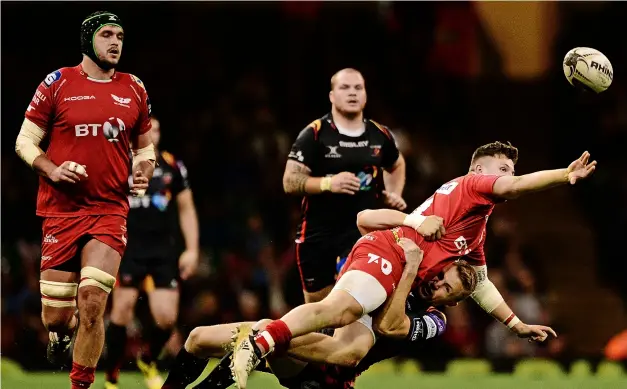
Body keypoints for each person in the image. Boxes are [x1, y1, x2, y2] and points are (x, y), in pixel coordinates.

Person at [231, 141, 594, 388]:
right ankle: (261, 342)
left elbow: (480, 282)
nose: (506, 176)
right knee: (339, 311)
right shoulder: (472, 185)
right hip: (390, 251)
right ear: (478, 169)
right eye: (501, 169)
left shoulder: (476, 227)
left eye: (510, 170)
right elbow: (515, 188)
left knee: (350, 348)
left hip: (394, 263)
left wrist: (516, 325)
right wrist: (564, 175)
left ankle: (262, 340)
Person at [14, 11, 155, 389]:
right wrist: (52, 169)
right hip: (61, 211)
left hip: (109, 210)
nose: (115, 42)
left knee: (92, 302)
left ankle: (81, 384)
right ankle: (62, 333)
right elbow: (24, 141)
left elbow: (145, 149)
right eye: (107, 34)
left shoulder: (134, 88)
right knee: (56, 317)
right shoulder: (57, 83)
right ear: (88, 39)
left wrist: (145, 169)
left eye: (120, 36)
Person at [161, 239, 475, 389]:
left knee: (266, 331)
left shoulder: (435, 320)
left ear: (454, 302)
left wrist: (408, 272)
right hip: (304, 346)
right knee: (198, 338)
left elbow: (389, 324)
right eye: (442, 276)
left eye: (448, 290)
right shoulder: (389, 268)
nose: (438, 285)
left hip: (330, 374)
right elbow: (367, 220)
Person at [283, 68, 407, 303]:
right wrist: (328, 183)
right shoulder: (315, 134)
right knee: (317, 309)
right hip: (318, 234)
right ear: (332, 96)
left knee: (349, 299)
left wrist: (393, 193)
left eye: (358, 88)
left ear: (365, 95)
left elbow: (396, 164)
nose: (352, 93)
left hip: (360, 233)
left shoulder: (380, 135)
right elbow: (289, 181)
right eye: (345, 87)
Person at [103, 117, 199, 389]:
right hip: (127, 250)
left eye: (155, 129)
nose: (151, 134)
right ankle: (111, 376)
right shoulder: (120, 165)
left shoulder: (173, 166)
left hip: (164, 253)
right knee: (121, 312)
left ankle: (148, 359)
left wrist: (191, 250)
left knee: (167, 319)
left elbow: (187, 209)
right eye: (145, 130)